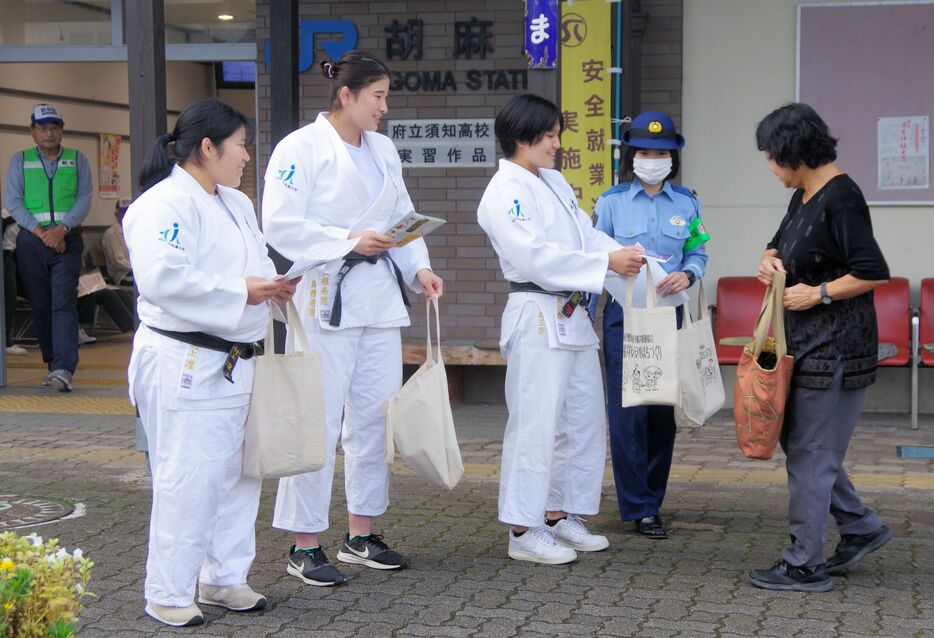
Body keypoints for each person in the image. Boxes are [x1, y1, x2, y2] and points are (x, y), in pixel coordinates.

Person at [263, 50, 444, 586]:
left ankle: (360, 533)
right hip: (324, 295)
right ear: (346, 95)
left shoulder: (384, 150)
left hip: (380, 301)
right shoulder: (300, 148)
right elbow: (278, 222)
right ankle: (304, 543)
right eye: (378, 97)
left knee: (371, 420)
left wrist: (421, 270)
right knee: (315, 419)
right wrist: (346, 239)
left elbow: (401, 219)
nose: (384, 108)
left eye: (386, 97)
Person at [124, 98, 299, 627]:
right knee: (189, 476)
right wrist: (241, 292)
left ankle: (225, 578)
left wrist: (274, 288)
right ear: (207, 147)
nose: (247, 157)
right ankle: (168, 591)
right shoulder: (160, 206)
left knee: (240, 475)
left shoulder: (236, 203)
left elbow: (259, 264)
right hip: (187, 358)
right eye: (242, 145)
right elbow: (163, 279)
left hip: (239, 358)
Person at [477, 94, 644, 565]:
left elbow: (585, 236)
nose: (555, 143)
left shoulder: (552, 181)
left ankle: (557, 514)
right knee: (535, 423)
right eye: (548, 135)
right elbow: (536, 257)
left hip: (572, 313)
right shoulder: (503, 190)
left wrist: (627, 258)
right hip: (535, 311)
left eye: (556, 134)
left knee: (581, 419)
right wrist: (603, 262)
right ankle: (521, 526)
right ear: (523, 137)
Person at [747, 103, 892, 592]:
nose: (770, 168)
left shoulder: (841, 196)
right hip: (803, 344)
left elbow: (872, 270)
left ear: (794, 152)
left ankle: (804, 563)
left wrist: (820, 292)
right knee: (805, 446)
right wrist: (768, 261)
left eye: (771, 158)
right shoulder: (804, 193)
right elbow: (778, 245)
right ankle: (861, 527)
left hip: (837, 347)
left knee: (810, 454)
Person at [589, 111, 708, 539]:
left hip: (671, 314)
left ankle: (653, 499)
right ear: (631, 156)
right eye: (643, 151)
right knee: (628, 413)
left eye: (660, 152)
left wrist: (689, 274)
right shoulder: (610, 203)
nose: (651, 158)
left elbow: (699, 252)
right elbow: (592, 258)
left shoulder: (687, 204)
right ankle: (637, 505)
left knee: (660, 412)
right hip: (626, 315)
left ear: (672, 157)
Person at [2, 103, 92, 391]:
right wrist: (43, 232)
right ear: (33, 131)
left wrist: (62, 229)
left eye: (54, 127)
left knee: (63, 301)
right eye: (43, 128)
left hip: (68, 240)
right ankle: (54, 364)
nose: (49, 133)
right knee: (41, 304)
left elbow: (85, 197)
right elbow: (13, 201)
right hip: (32, 241)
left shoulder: (77, 159)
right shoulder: (20, 161)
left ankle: (65, 367)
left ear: (62, 130)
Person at [2, 210, 26, 355]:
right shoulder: (17, 216)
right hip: (6, 257)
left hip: (9, 256)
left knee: (8, 299)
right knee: (8, 299)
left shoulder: (9, 214)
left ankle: (6, 340)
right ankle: (5, 342)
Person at [102, 197, 134, 285]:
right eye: (124, 212)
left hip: (135, 273)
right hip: (122, 276)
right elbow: (119, 261)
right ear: (116, 215)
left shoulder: (134, 230)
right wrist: (139, 268)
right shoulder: (111, 234)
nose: (128, 215)